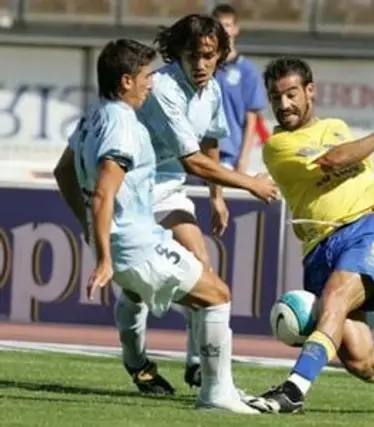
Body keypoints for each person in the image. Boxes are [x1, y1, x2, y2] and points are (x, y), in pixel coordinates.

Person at [55, 14, 279, 397]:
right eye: (194, 55)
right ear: (177, 53)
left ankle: (198, 365)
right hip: (139, 188)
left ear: (221, 54)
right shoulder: (160, 88)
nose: (202, 63)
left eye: (211, 55)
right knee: (143, 290)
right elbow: (192, 158)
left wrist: (216, 195)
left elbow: (210, 141)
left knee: (201, 264)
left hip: (170, 189)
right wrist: (249, 183)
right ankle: (139, 361)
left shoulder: (212, 92)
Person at [244, 57, 374, 415]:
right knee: (360, 359)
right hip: (319, 247)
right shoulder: (277, 147)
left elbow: (369, 190)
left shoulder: (337, 126)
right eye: (276, 97)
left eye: (291, 94)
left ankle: (294, 390)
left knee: (336, 298)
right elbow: (334, 160)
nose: (284, 105)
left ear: (310, 91)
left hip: (368, 227)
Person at [212, 3, 268, 172]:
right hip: (199, 152)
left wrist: (243, 159)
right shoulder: (202, 67)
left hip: (227, 154)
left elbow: (251, 119)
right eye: (218, 26)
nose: (223, 31)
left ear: (236, 29)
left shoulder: (247, 71)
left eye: (227, 26)